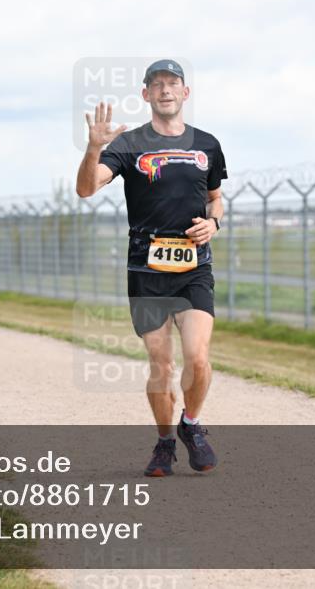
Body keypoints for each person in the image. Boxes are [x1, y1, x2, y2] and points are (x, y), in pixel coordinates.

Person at [75, 59, 227, 477]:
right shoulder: (129, 145)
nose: (165, 90)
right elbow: (86, 188)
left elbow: (216, 198)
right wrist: (93, 148)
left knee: (198, 358)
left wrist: (213, 223)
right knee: (161, 365)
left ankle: (191, 426)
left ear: (185, 93)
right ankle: (164, 443)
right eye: (156, 84)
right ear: (145, 94)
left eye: (172, 83)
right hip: (147, 269)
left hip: (194, 267)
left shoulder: (207, 145)